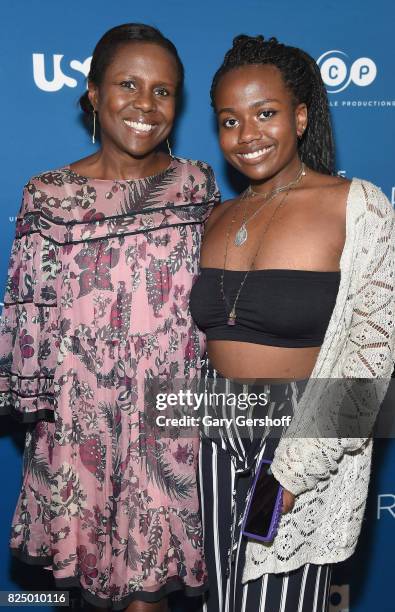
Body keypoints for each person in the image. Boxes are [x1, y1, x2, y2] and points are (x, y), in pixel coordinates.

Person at [0, 23, 220, 611]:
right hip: (80, 425)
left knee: (149, 597)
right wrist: (40, 417)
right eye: (128, 84)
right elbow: (29, 312)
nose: (146, 105)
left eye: (164, 91)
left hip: (173, 420)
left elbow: (219, 306)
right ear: (94, 93)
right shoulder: (49, 195)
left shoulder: (196, 185)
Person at [189, 35, 395, 611]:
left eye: (266, 113)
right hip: (211, 435)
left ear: (300, 117)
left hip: (290, 447)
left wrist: (291, 476)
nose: (247, 134)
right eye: (230, 120)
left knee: (269, 600)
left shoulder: (356, 205)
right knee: (222, 600)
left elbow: (370, 358)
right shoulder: (217, 216)